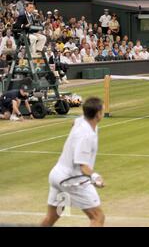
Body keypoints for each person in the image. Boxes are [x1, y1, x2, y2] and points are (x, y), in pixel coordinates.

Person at [41, 97, 105, 227]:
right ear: (98, 114)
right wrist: (96, 177)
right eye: (102, 109)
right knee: (98, 217)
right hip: (71, 180)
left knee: (53, 216)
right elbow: (83, 166)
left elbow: (74, 122)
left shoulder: (82, 121)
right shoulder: (86, 136)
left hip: (56, 175)